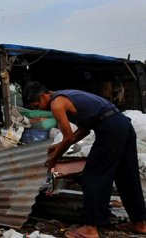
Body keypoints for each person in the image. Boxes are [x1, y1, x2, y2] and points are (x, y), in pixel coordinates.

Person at [22, 81, 146, 238]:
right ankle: (140, 223)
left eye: (37, 105)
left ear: (42, 96)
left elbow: (67, 137)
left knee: (93, 176)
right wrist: (59, 145)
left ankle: (90, 228)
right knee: (127, 176)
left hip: (110, 130)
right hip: (122, 125)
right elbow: (84, 131)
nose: (39, 109)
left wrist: (54, 160)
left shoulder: (57, 104)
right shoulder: (68, 95)